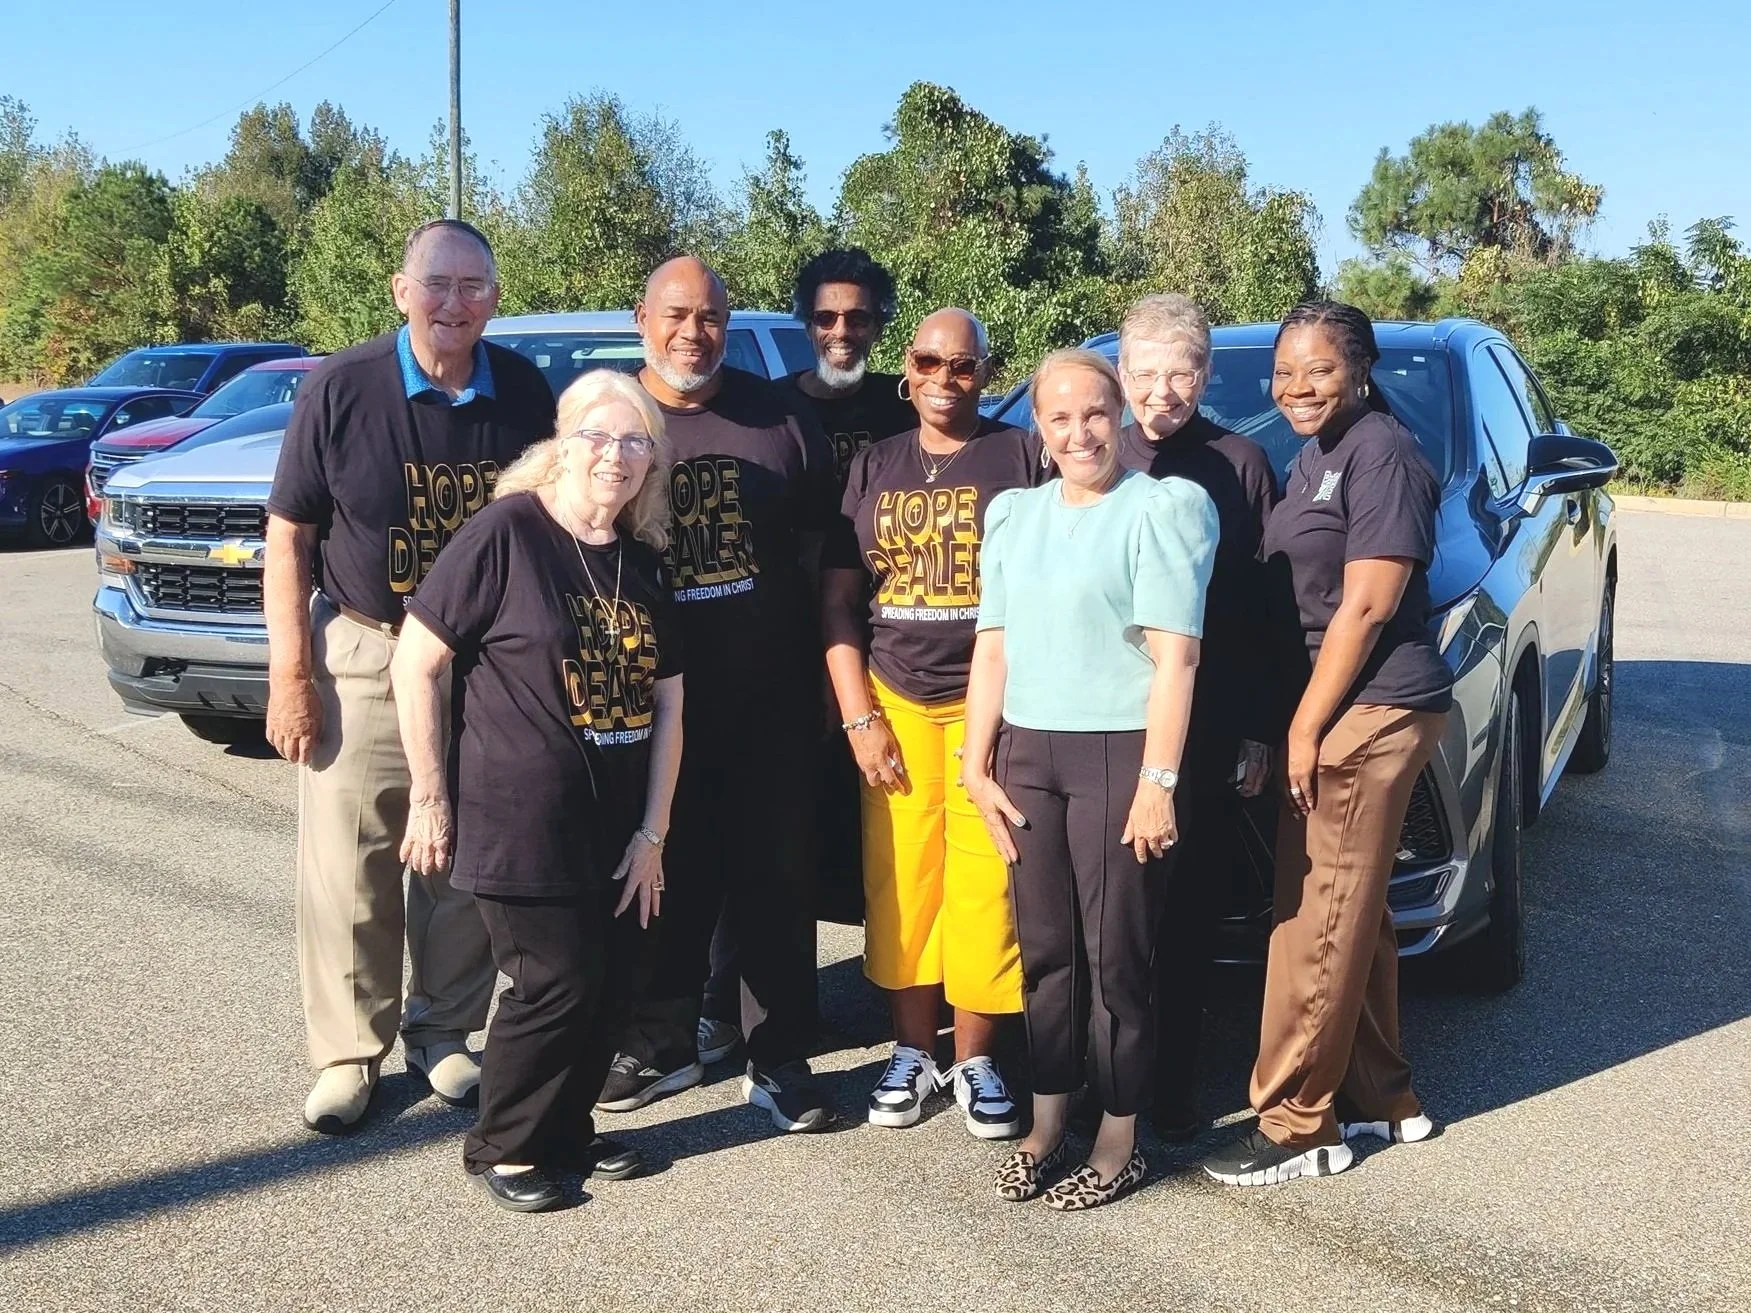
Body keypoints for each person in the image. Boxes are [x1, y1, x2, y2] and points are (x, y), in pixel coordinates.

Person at [265, 219, 557, 1135]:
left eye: (474, 286)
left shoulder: (522, 389)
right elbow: (290, 536)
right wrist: (290, 674)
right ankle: (349, 1052)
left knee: (462, 858)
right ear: (401, 291)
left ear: (495, 299)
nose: (454, 302)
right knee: (349, 858)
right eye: (437, 284)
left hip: (482, 661)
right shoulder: (340, 388)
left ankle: (444, 1030)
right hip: (363, 648)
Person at [390, 370, 683, 1213]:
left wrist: (654, 829)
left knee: (614, 978)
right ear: (559, 446)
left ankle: (565, 1130)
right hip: (521, 815)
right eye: (597, 435)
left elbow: (670, 700)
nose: (615, 456)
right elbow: (417, 661)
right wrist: (429, 794)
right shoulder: (505, 533)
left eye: (635, 442)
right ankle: (502, 1142)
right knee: (552, 982)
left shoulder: (637, 560)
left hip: (619, 818)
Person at [1201, 301, 1453, 1188]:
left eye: (1317, 368)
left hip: (1366, 706)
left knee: (1312, 917)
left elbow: (1368, 603)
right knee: (1357, 917)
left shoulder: (1382, 452)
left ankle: (1296, 1124)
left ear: (1360, 368)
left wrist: (1302, 728)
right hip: (1333, 704)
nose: (1295, 386)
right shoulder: (1313, 457)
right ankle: (1384, 1097)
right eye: (1284, 370)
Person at [963, 348, 1218, 1211]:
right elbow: (991, 646)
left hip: (1119, 751)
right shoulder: (1012, 514)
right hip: (1027, 755)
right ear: (1037, 428)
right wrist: (973, 759)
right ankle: (1045, 1121)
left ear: (1120, 416)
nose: (1079, 431)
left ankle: (1118, 1136)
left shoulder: (1162, 509)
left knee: (1116, 958)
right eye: (1059, 416)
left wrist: (1158, 781)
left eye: (1095, 413)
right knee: (1044, 953)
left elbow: (1176, 660)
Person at [600, 256, 839, 1133]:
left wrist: (821, 670)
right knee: (661, 871)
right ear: (642, 318)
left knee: (773, 880)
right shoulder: (612, 417)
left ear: (727, 324)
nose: (691, 332)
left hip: (768, 698)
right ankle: (661, 1040)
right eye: (675, 314)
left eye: (708, 317)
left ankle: (774, 1055)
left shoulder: (779, 415)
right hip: (645, 704)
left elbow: (821, 553)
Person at [822, 308, 1043, 1138]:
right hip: (896, 703)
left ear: (985, 375)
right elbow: (839, 603)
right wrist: (858, 717)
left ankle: (976, 1057)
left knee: (986, 886)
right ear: (906, 370)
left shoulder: (1020, 455)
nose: (945, 380)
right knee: (903, 884)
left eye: (964, 366)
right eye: (929, 362)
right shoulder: (875, 463)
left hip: (995, 705)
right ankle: (911, 1052)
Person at [699, 248, 917, 1063]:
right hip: (783, 649)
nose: (840, 329)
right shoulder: (770, 408)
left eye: (857, 316)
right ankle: (723, 1001)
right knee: (758, 841)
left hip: (887, 651)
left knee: (866, 833)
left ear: (879, 322)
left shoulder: (905, 408)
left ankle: (892, 1000)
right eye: (825, 316)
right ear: (803, 321)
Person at [1114, 294, 1282, 1137]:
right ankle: (1101, 1082)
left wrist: (1256, 726)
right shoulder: (1087, 452)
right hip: (1100, 718)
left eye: (1180, 372)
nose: (1162, 390)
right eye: (1144, 372)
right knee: (1111, 916)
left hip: (1206, 720)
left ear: (1205, 374)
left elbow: (1260, 605)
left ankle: (1171, 1088)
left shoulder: (1241, 462)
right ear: (1121, 374)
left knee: (1183, 916)